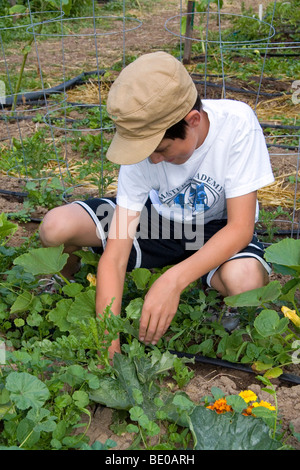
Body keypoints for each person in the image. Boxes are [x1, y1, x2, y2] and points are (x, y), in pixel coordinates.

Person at [39, 51, 274, 359]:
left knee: (245, 280)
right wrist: (109, 350)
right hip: (157, 223)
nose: (153, 160)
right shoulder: (143, 145)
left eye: (162, 149)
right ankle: (65, 282)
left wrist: (173, 281)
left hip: (217, 229)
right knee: (55, 227)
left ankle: (215, 301)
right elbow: (116, 256)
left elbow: (240, 227)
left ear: (193, 120)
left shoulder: (237, 124)